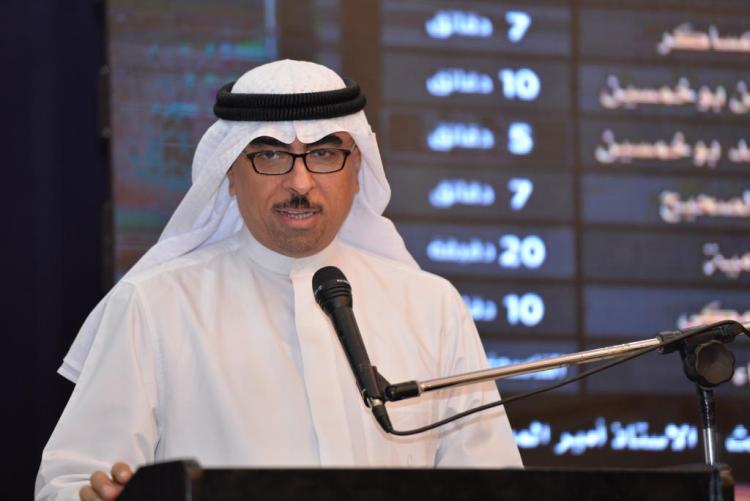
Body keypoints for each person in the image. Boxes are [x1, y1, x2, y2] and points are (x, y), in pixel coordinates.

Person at [35, 60, 522, 501]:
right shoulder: (154, 305)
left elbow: (490, 481)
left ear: (357, 168)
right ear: (230, 172)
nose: (300, 183)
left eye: (324, 153)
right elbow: (72, 481)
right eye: (270, 156)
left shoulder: (430, 306)